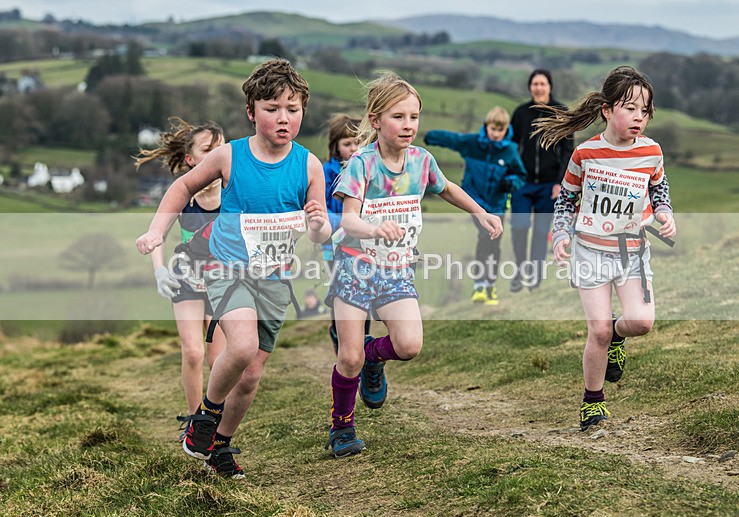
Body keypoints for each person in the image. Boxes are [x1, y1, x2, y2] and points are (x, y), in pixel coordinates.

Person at [135, 58, 331, 477]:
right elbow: (181, 186)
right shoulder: (230, 156)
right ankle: (204, 416)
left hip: (275, 280)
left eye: (292, 110)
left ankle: (219, 446)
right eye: (272, 109)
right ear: (251, 111)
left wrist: (317, 225)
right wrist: (156, 231)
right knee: (239, 347)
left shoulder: (309, 165)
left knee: (250, 376)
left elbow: (320, 233)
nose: (283, 118)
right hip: (226, 270)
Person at [324, 72, 503, 458]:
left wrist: (480, 212)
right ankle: (342, 428)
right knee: (347, 357)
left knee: (408, 345)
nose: (408, 125)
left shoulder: (422, 161)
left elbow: (447, 188)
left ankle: (375, 356)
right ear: (376, 120)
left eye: (414, 117)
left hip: (396, 269)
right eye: (398, 117)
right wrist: (373, 228)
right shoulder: (362, 164)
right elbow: (348, 219)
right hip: (355, 267)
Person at [534, 66, 676, 431]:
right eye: (630, 108)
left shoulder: (651, 151)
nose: (639, 118)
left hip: (632, 251)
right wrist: (561, 235)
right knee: (596, 331)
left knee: (641, 322)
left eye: (645, 111)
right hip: (591, 252)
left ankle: (618, 333)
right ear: (608, 111)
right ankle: (592, 402)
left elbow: (659, 187)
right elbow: (566, 200)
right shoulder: (585, 154)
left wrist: (664, 212)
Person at [133, 117, 227, 432]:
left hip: (223, 285)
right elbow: (156, 234)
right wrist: (159, 270)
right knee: (193, 351)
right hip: (187, 280)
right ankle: (194, 422)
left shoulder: (234, 194)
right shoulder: (183, 195)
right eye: (207, 149)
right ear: (191, 160)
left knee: (219, 360)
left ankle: (213, 422)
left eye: (221, 147)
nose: (216, 154)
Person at [424, 106, 526, 305]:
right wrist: (430, 137)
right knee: (485, 237)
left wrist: (511, 182)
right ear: (486, 126)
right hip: (474, 201)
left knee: (494, 244)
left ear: (507, 130)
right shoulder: (472, 144)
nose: (496, 134)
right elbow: (453, 139)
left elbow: (521, 175)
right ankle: (480, 285)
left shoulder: (510, 151)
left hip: (497, 205)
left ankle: (490, 286)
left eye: (500, 130)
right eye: (492, 129)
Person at [510, 68, 574, 292]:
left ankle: (535, 277)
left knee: (540, 232)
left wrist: (560, 182)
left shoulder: (561, 112)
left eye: (542, 84)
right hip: (523, 183)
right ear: (530, 87)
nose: (538, 88)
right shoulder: (520, 113)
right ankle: (519, 270)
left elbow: (568, 150)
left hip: (550, 185)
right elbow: (510, 146)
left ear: (550, 87)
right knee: (518, 227)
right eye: (534, 84)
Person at [321, 114, 370, 351]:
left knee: (366, 293)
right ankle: (339, 334)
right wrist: (346, 222)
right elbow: (323, 210)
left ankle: (362, 342)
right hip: (334, 247)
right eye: (347, 143)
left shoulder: (368, 169)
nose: (353, 148)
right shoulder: (326, 173)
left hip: (364, 246)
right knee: (341, 295)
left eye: (357, 142)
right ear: (336, 147)